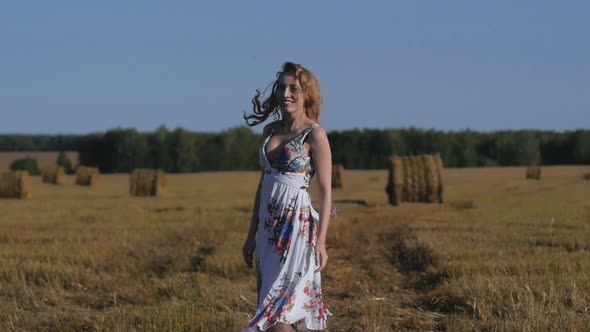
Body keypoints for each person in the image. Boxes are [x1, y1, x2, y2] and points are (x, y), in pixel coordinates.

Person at [242, 62, 333, 331]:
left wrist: (322, 242)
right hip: (268, 234)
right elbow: (262, 185)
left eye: (294, 88)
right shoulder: (270, 131)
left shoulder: (314, 134)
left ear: (306, 93)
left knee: (285, 315)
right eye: (282, 87)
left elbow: (326, 191)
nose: (286, 93)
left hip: (297, 230)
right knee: (273, 308)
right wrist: (251, 235)